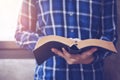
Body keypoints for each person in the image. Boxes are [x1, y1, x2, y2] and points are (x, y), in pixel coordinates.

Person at [15, 0, 117, 80]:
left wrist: (93, 57)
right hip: (49, 75)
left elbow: (110, 35)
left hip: (91, 74)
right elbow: (21, 33)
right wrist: (46, 43)